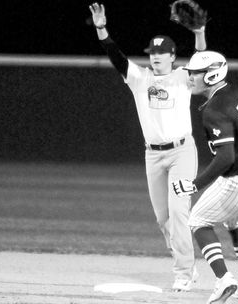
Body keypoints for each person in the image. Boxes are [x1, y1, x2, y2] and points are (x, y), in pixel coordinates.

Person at [88, 3, 206, 291]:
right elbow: (116, 57)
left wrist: (200, 32)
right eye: (152, 53)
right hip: (152, 155)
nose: (155, 57)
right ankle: (184, 261)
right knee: (163, 218)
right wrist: (102, 30)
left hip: (182, 152)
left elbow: (201, 59)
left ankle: (183, 272)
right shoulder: (139, 79)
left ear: (172, 56)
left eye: (161, 53)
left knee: (179, 210)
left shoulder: (182, 77)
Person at [172, 50, 238, 303]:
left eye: (195, 73)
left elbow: (226, 158)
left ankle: (223, 280)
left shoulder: (213, 109)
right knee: (234, 221)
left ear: (211, 75)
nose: (190, 77)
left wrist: (194, 185)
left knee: (197, 221)